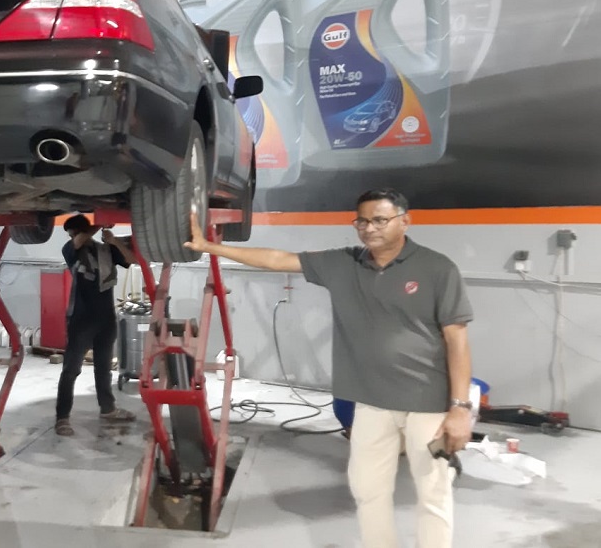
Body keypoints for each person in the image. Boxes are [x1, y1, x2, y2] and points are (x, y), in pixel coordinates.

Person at [184, 188, 474, 548]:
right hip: (370, 403)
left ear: (405, 221)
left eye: (380, 220)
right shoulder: (343, 264)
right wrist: (210, 248)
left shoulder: (437, 268)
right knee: (368, 491)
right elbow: (276, 259)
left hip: (426, 403)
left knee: (433, 494)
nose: (369, 228)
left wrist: (459, 407)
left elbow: (457, 342)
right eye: (362, 221)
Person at [55, 214, 138, 436]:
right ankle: (62, 418)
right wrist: (101, 222)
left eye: (74, 232)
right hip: (81, 319)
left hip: (105, 318)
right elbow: (78, 242)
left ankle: (108, 409)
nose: (72, 236)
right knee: (71, 369)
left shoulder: (105, 250)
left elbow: (131, 260)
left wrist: (115, 241)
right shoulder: (70, 250)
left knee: (103, 367)